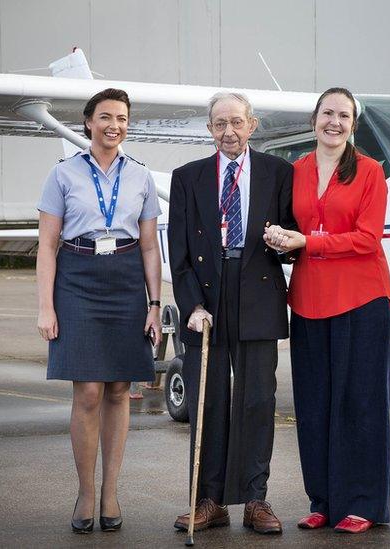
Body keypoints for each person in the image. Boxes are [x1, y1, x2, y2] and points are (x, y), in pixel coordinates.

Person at [264, 87, 390, 535]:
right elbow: (290, 227)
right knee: (314, 404)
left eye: (343, 115)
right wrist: (279, 239)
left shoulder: (371, 172)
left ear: (353, 125)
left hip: (361, 299)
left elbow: (367, 238)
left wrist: (309, 242)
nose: (334, 122)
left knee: (360, 404)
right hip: (308, 301)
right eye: (327, 113)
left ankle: (363, 503)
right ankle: (323, 499)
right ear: (314, 119)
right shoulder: (295, 171)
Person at [167, 91, 296, 535]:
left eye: (237, 123)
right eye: (220, 124)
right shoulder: (188, 178)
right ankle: (208, 500)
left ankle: (255, 499)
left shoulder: (279, 173)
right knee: (210, 399)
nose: (229, 132)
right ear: (209, 130)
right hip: (207, 294)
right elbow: (178, 251)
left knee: (258, 400)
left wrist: (287, 242)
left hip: (258, 291)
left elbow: (293, 238)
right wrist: (192, 305)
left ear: (252, 125)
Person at [36, 88, 163, 534]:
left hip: (126, 278)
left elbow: (150, 246)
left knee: (118, 389)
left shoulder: (141, 177)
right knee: (88, 391)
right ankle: (85, 493)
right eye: (106, 117)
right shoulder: (62, 175)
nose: (115, 125)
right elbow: (47, 246)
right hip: (77, 277)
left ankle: (111, 492)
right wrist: (45, 306)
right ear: (87, 122)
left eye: (123, 118)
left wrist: (154, 304)